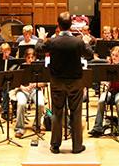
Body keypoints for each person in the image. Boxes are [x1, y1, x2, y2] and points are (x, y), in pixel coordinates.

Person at [36, 11, 93, 154]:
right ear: (71, 25)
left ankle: (55, 145)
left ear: (58, 25)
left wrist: (41, 38)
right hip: (75, 83)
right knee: (76, 113)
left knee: (57, 113)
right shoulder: (78, 42)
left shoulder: (53, 41)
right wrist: (86, 43)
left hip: (57, 83)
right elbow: (90, 55)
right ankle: (77, 146)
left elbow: (38, 49)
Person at [88, 46, 119, 140]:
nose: (114, 57)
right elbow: (106, 80)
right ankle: (97, 128)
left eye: (116, 55)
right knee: (101, 100)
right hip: (111, 91)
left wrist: (118, 76)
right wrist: (106, 81)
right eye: (112, 55)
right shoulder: (109, 65)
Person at [14, 48, 45, 138]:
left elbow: (44, 83)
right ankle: (19, 128)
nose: (30, 59)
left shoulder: (39, 67)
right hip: (22, 90)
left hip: (35, 90)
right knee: (21, 103)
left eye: (32, 57)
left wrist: (35, 84)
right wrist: (23, 87)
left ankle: (36, 125)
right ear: (25, 58)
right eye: (28, 57)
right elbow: (16, 82)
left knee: (40, 104)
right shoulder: (21, 67)